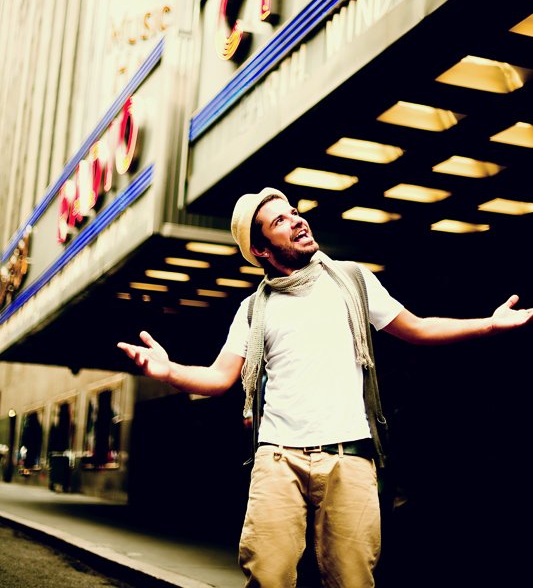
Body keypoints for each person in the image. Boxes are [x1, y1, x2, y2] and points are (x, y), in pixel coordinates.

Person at [117, 187, 533, 588]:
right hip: (278, 460)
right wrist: (168, 371)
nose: (297, 221)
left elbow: (419, 328)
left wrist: (489, 325)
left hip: (349, 457)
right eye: (280, 221)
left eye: (294, 213)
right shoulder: (253, 309)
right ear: (261, 249)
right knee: (268, 576)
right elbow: (219, 378)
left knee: (352, 580)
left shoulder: (352, 280)